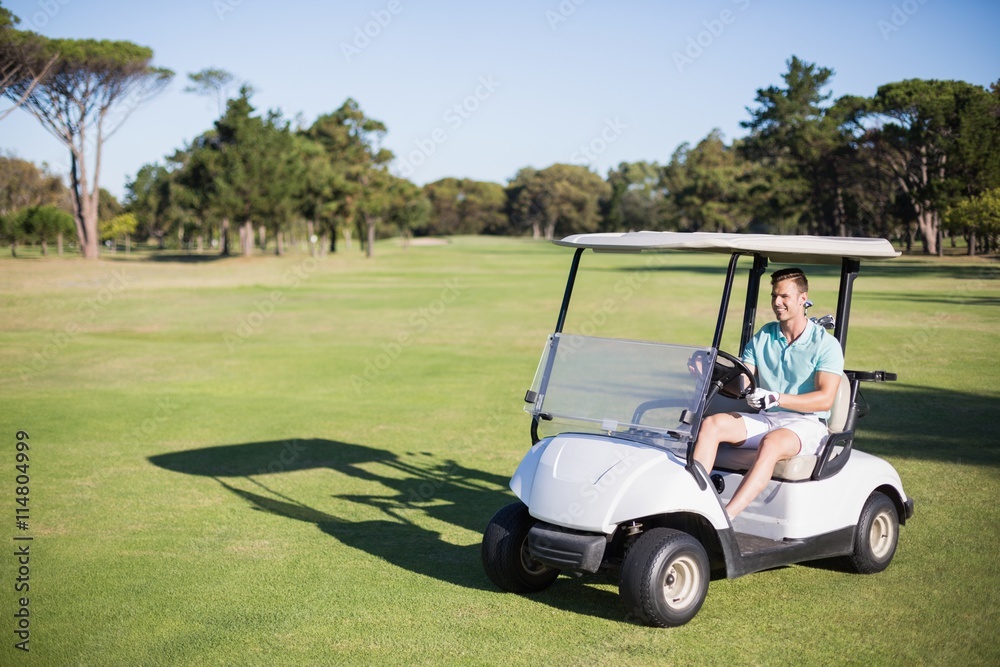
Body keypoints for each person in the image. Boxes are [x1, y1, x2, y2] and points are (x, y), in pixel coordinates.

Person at [692, 267, 844, 520]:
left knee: (771, 443)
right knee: (712, 424)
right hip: (768, 418)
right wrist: (708, 373)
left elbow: (825, 398)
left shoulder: (825, 344)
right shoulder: (765, 335)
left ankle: (723, 519)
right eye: (774, 296)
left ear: (802, 298)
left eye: (784, 296)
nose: (777, 302)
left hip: (805, 423)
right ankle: (694, 504)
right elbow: (742, 383)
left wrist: (777, 398)